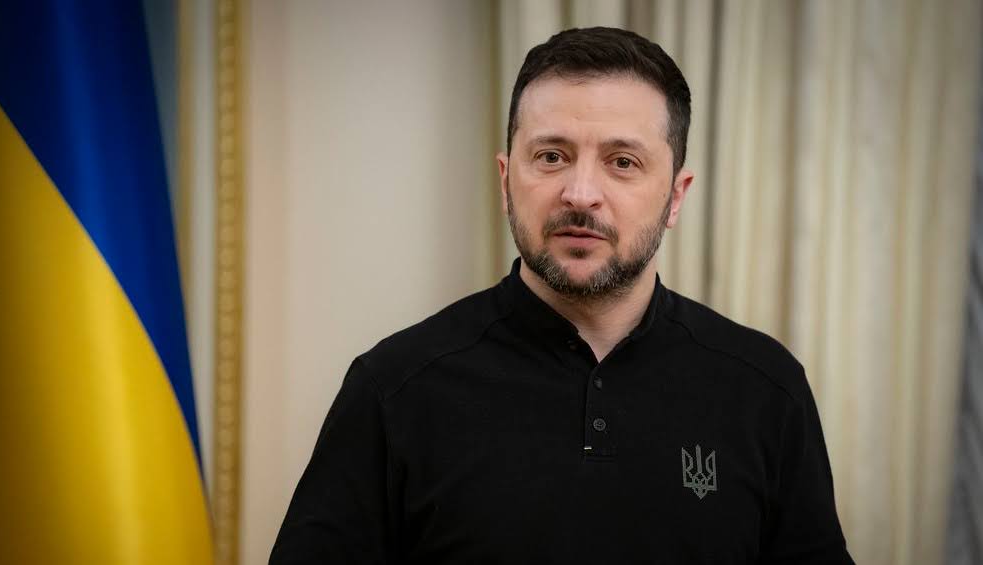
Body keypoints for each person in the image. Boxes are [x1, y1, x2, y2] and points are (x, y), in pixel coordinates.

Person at [270, 27, 854, 564]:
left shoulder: (766, 390)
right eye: (551, 156)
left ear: (676, 196)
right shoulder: (392, 389)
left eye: (622, 162)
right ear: (506, 181)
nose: (580, 193)